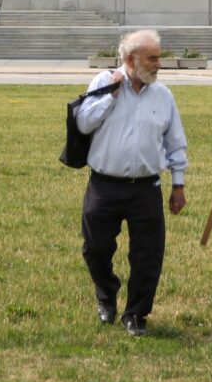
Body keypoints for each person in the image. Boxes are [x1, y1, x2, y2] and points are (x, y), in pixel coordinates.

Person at [76, 28, 188, 336]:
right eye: (151, 59)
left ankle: (136, 314)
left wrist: (178, 185)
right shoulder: (103, 82)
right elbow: (84, 124)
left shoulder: (163, 96)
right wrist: (109, 97)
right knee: (95, 248)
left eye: (158, 58)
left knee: (148, 255)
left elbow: (175, 142)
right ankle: (106, 295)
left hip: (146, 188)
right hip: (105, 185)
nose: (157, 64)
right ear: (130, 59)